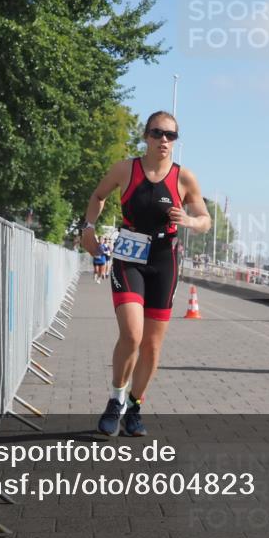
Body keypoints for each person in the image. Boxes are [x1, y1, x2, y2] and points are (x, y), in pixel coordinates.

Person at [81, 111, 211, 436]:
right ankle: (116, 399)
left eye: (171, 135)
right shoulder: (126, 169)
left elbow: (204, 218)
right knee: (132, 335)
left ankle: (135, 407)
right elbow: (98, 196)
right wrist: (88, 228)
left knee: (152, 346)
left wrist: (191, 221)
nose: (164, 140)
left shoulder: (184, 178)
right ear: (146, 136)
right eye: (157, 133)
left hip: (165, 258)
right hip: (130, 253)